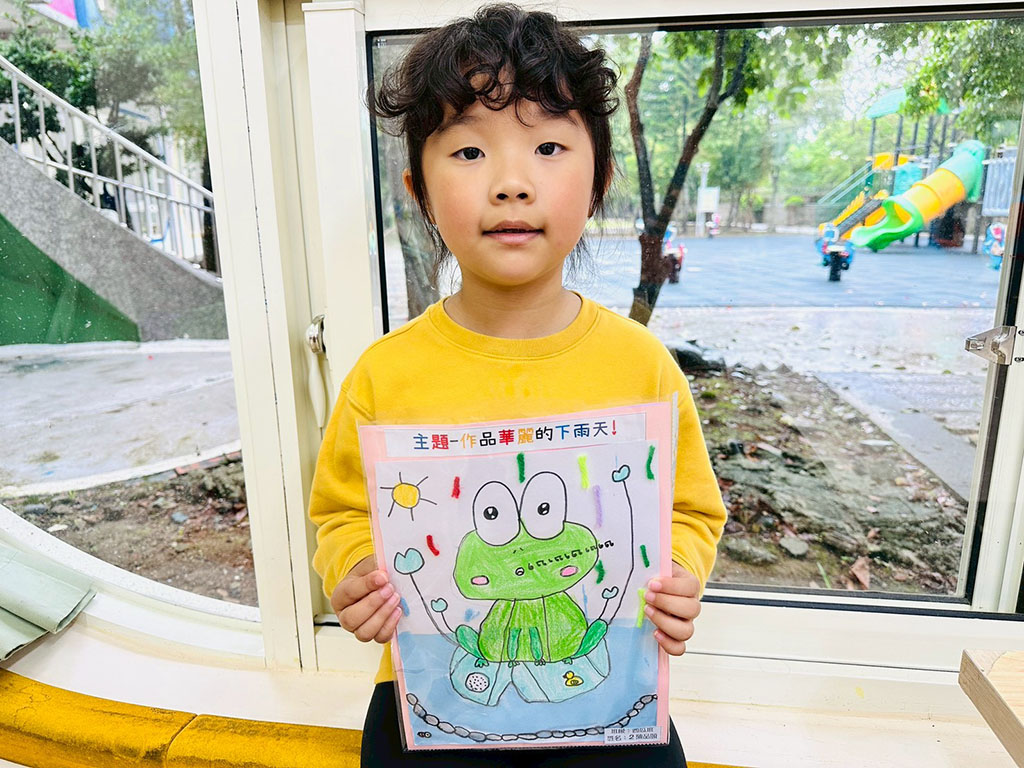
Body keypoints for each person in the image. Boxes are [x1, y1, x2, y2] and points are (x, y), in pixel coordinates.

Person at [307, 5, 727, 766]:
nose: (510, 184)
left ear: (597, 181)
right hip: (435, 695)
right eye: (469, 151)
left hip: (608, 691)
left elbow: (690, 509)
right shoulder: (384, 374)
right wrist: (359, 572)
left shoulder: (641, 365)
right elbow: (341, 513)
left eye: (548, 147)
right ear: (419, 190)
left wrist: (678, 575)